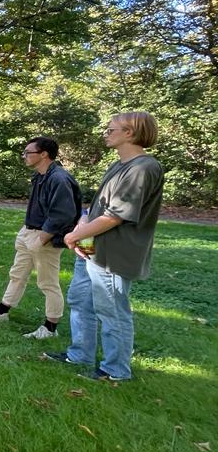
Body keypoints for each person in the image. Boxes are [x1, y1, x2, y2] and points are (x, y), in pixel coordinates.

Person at [44, 112, 164, 381]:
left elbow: (116, 216)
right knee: (81, 301)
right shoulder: (118, 165)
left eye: (111, 130)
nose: (106, 134)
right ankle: (79, 355)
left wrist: (72, 237)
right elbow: (98, 207)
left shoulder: (143, 168)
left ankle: (115, 370)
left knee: (111, 310)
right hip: (90, 246)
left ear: (130, 133)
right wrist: (81, 225)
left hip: (114, 253)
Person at [0, 137, 80, 339]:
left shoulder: (59, 179)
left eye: (27, 152)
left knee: (47, 283)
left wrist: (41, 239)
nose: (24, 156)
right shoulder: (40, 176)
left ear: (43, 155)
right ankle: (0, 312)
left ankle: (50, 328)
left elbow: (63, 214)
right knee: (18, 274)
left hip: (44, 238)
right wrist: (27, 232)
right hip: (29, 232)